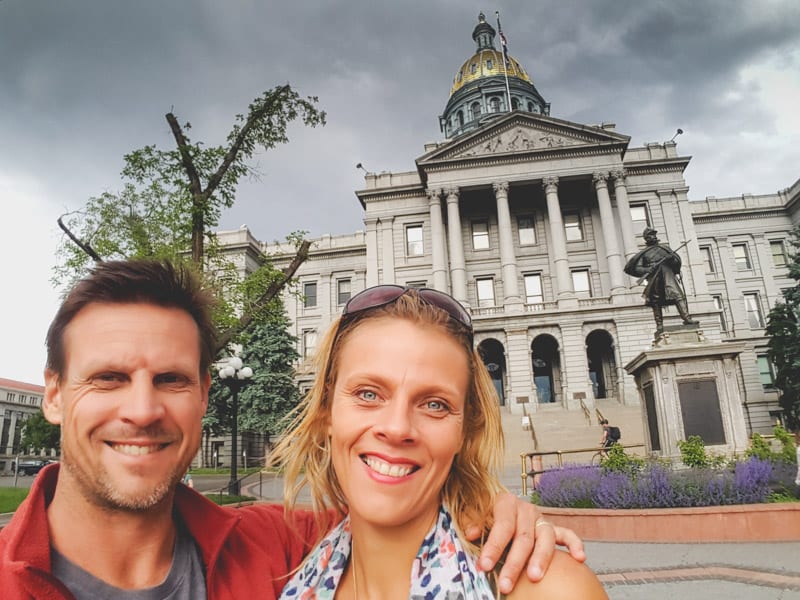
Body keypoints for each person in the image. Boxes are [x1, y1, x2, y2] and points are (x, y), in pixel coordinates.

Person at [0, 260, 584, 599]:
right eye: (107, 378)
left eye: (173, 380)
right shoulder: (302, 556)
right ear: (52, 393)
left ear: (205, 394)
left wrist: (494, 505)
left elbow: (399, 510)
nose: (143, 410)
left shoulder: (272, 547)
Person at [272, 285, 607, 599]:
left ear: (465, 430)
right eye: (368, 394)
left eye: (435, 404)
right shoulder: (287, 568)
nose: (397, 427)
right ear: (327, 412)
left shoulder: (552, 589)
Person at [623, 227, 698, 333]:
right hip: (655, 278)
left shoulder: (665, 249)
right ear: (646, 238)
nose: (652, 236)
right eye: (649, 235)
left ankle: (687, 318)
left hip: (667, 275)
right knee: (656, 301)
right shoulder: (644, 254)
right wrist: (648, 269)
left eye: (653, 234)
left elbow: (677, 263)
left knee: (678, 295)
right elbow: (636, 268)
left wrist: (671, 259)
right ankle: (659, 325)